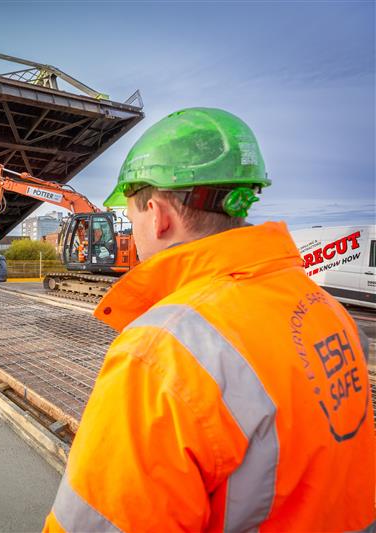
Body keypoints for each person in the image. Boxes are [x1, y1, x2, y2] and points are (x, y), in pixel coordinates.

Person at [43, 108, 374, 532]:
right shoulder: (327, 311)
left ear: (159, 215)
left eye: (131, 215)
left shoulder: (161, 354)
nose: (133, 231)